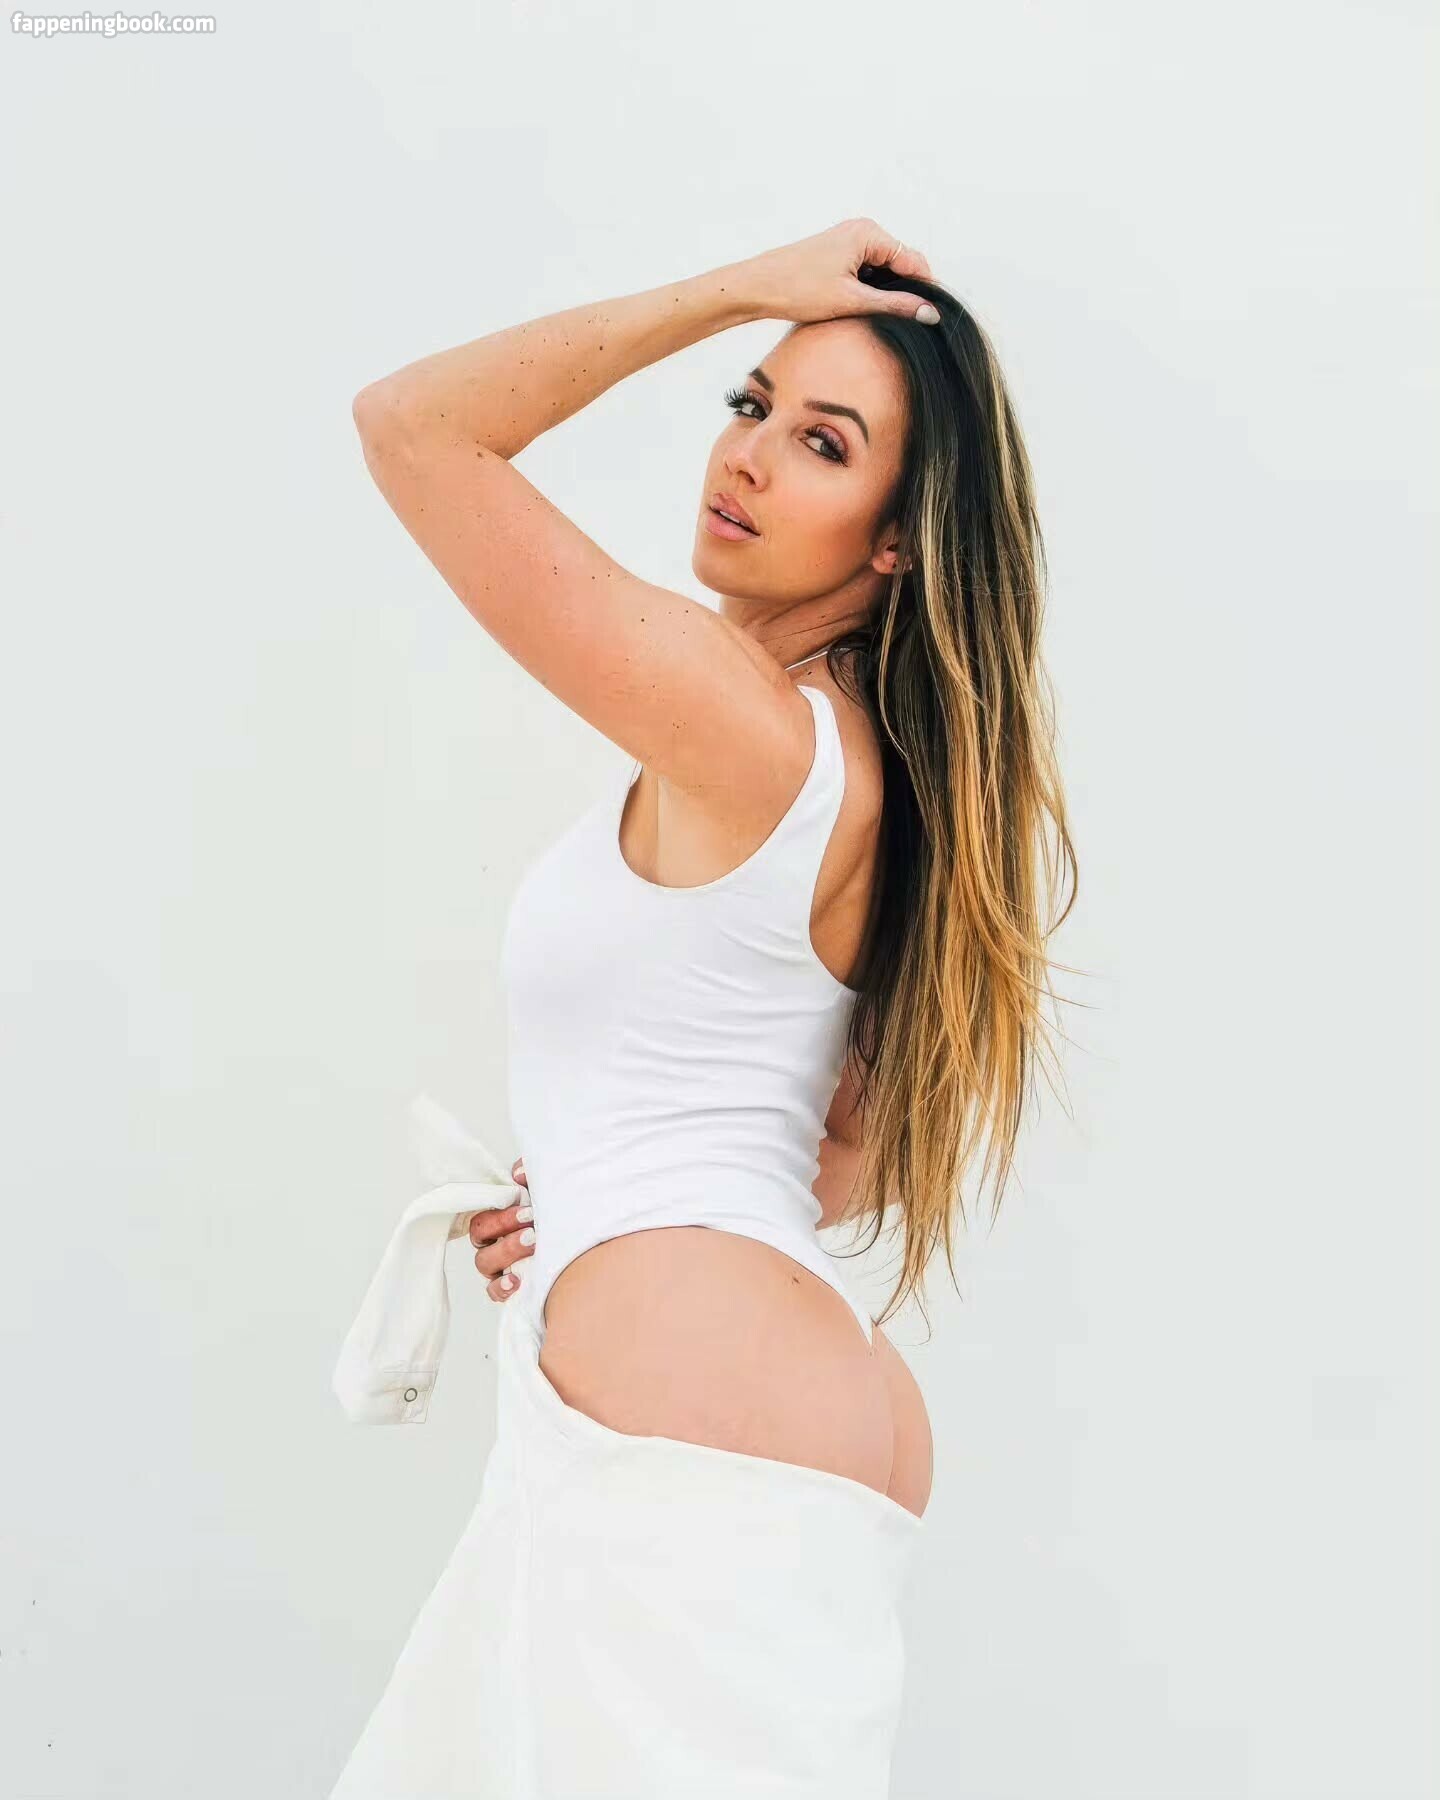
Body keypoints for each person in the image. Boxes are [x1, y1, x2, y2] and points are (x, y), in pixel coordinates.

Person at [330, 218, 1077, 1799]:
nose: (747, 454)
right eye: (751, 401)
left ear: (895, 542)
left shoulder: (754, 729)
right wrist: (589, 1205)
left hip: (696, 1410)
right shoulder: (879, 775)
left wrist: (734, 290)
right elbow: (835, 1158)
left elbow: (413, 427)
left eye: (824, 442)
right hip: (792, 1400)